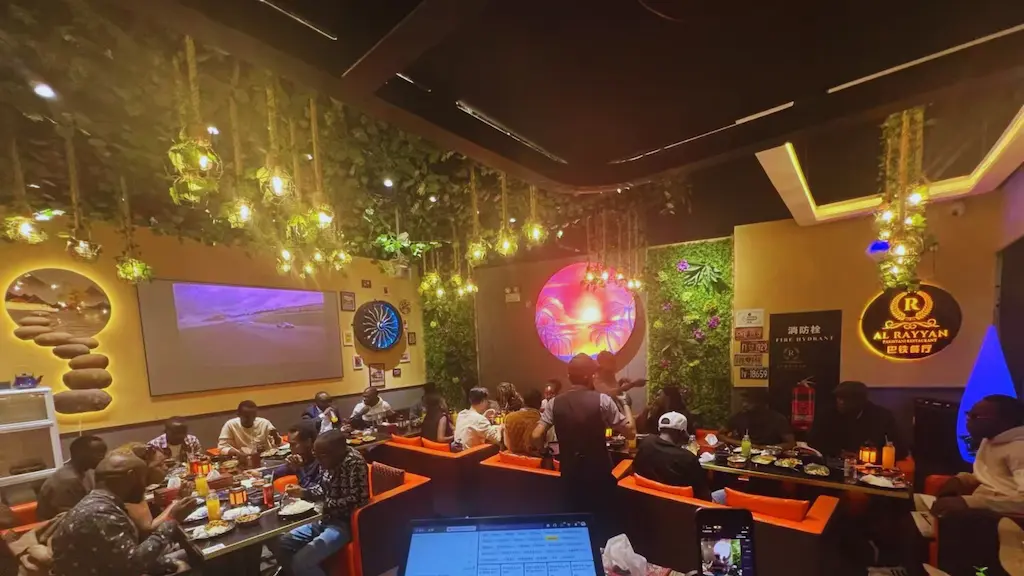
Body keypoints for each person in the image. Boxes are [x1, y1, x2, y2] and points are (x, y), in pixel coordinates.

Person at [532, 353, 635, 541]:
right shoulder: (603, 400)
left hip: (570, 477)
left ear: (569, 377)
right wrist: (625, 404)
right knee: (602, 528)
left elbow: (536, 435)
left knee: (574, 528)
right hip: (599, 477)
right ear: (589, 377)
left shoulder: (554, 403)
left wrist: (544, 452)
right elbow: (630, 432)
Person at [51, 453, 198, 576]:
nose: (144, 486)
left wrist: (169, 563)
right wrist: (172, 519)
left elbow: (121, 558)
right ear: (131, 476)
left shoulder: (99, 503)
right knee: (196, 563)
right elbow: (133, 565)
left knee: (186, 559)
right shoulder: (100, 514)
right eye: (143, 478)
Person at [274, 430, 369, 576]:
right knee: (283, 544)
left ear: (339, 452)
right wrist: (304, 493)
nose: (318, 460)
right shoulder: (326, 460)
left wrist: (324, 504)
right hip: (324, 519)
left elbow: (357, 501)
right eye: (316, 455)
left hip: (344, 524)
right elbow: (323, 488)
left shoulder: (354, 463)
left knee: (301, 562)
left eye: (322, 456)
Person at [929, 395, 1024, 516]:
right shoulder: (990, 440)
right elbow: (992, 476)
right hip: (982, 512)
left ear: (1005, 421)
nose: (968, 421)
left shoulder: (1019, 449)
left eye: (975, 417)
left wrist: (969, 503)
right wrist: (962, 480)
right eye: (968, 415)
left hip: (1006, 518)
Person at [808, 381, 906, 459]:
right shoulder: (828, 414)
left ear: (861, 401)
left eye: (846, 399)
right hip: (833, 464)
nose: (841, 402)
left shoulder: (882, 417)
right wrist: (838, 452)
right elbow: (813, 442)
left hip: (871, 467)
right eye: (839, 398)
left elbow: (901, 450)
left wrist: (864, 456)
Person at [633, 411, 712, 500]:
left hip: (647, 501)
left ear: (659, 429)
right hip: (683, 505)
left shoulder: (645, 444)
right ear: (682, 432)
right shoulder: (688, 458)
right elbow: (704, 495)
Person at [38, 435, 107, 520]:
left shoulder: (86, 472)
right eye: (98, 454)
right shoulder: (67, 481)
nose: (103, 458)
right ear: (81, 455)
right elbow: (72, 518)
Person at [719, 388, 794, 448]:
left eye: (749, 402)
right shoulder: (739, 416)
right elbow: (720, 435)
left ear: (761, 402)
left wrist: (766, 448)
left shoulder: (778, 418)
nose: (744, 405)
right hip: (744, 455)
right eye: (744, 401)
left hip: (769, 457)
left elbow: (790, 443)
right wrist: (746, 444)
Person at [272, 420, 322, 490]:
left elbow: (313, 491)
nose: (290, 448)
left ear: (308, 442)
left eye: (293, 444)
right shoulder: (301, 459)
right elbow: (278, 471)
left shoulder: (322, 462)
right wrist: (261, 474)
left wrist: (298, 470)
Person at [503, 389, 546, 455]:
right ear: (540, 404)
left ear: (523, 402)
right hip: (535, 460)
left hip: (512, 458)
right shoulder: (543, 421)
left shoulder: (509, 417)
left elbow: (506, 443)